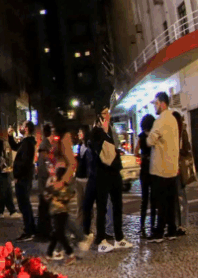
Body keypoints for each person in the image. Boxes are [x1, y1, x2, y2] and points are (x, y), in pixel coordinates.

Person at [87, 110, 129, 252]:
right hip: (102, 175)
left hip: (114, 173)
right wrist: (104, 133)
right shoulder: (95, 133)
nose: (108, 115)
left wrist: (108, 132)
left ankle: (119, 238)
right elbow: (103, 153)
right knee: (102, 207)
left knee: (117, 205)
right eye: (105, 113)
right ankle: (101, 239)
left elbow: (116, 147)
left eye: (108, 113)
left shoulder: (110, 130)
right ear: (99, 117)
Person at [150, 92, 182, 240]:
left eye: (156, 103)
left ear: (162, 104)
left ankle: (159, 232)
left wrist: (150, 140)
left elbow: (151, 140)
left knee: (161, 202)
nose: (155, 106)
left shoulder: (160, 120)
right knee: (170, 201)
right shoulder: (174, 119)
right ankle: (172, 229)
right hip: (172, 167)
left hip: (160, 167)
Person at [9, 122, 38, 241]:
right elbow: (15, 147)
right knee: (25, 204)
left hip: (23, 178)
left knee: (24, 204)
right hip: (23, 177)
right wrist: (10, 136)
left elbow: (24, 162)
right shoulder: (26, 142)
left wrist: (17, 175)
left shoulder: (28, 143)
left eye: (22, 125)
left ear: (26, 128)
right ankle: (31, 229)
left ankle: (29, 231)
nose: (20, 127)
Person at [45, 164, 77, 263]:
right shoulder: (58, 185)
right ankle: (49, 255)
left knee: (59, 234)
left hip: (60, 212)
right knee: (56, 234)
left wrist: (53, 192)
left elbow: (65, 197)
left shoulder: (62, 187)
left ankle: (70, 254)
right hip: (57, 212)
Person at [139, 114, 156, 238]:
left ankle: (142, 225)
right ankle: (153, 225)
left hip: (144, 169)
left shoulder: (141, 136)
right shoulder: (153, 135)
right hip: (153, 167)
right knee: (153, 198)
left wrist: (142, 156)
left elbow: (136, 151)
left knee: (144, 198)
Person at [0, 137, 15, 216]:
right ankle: (2, 211)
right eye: (4, 145)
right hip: (0, 177)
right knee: (3, 194)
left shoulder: (2, 154)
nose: (5, 147)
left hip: (4, 176)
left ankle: (10, 210)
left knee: (7, 193)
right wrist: (1, 164)